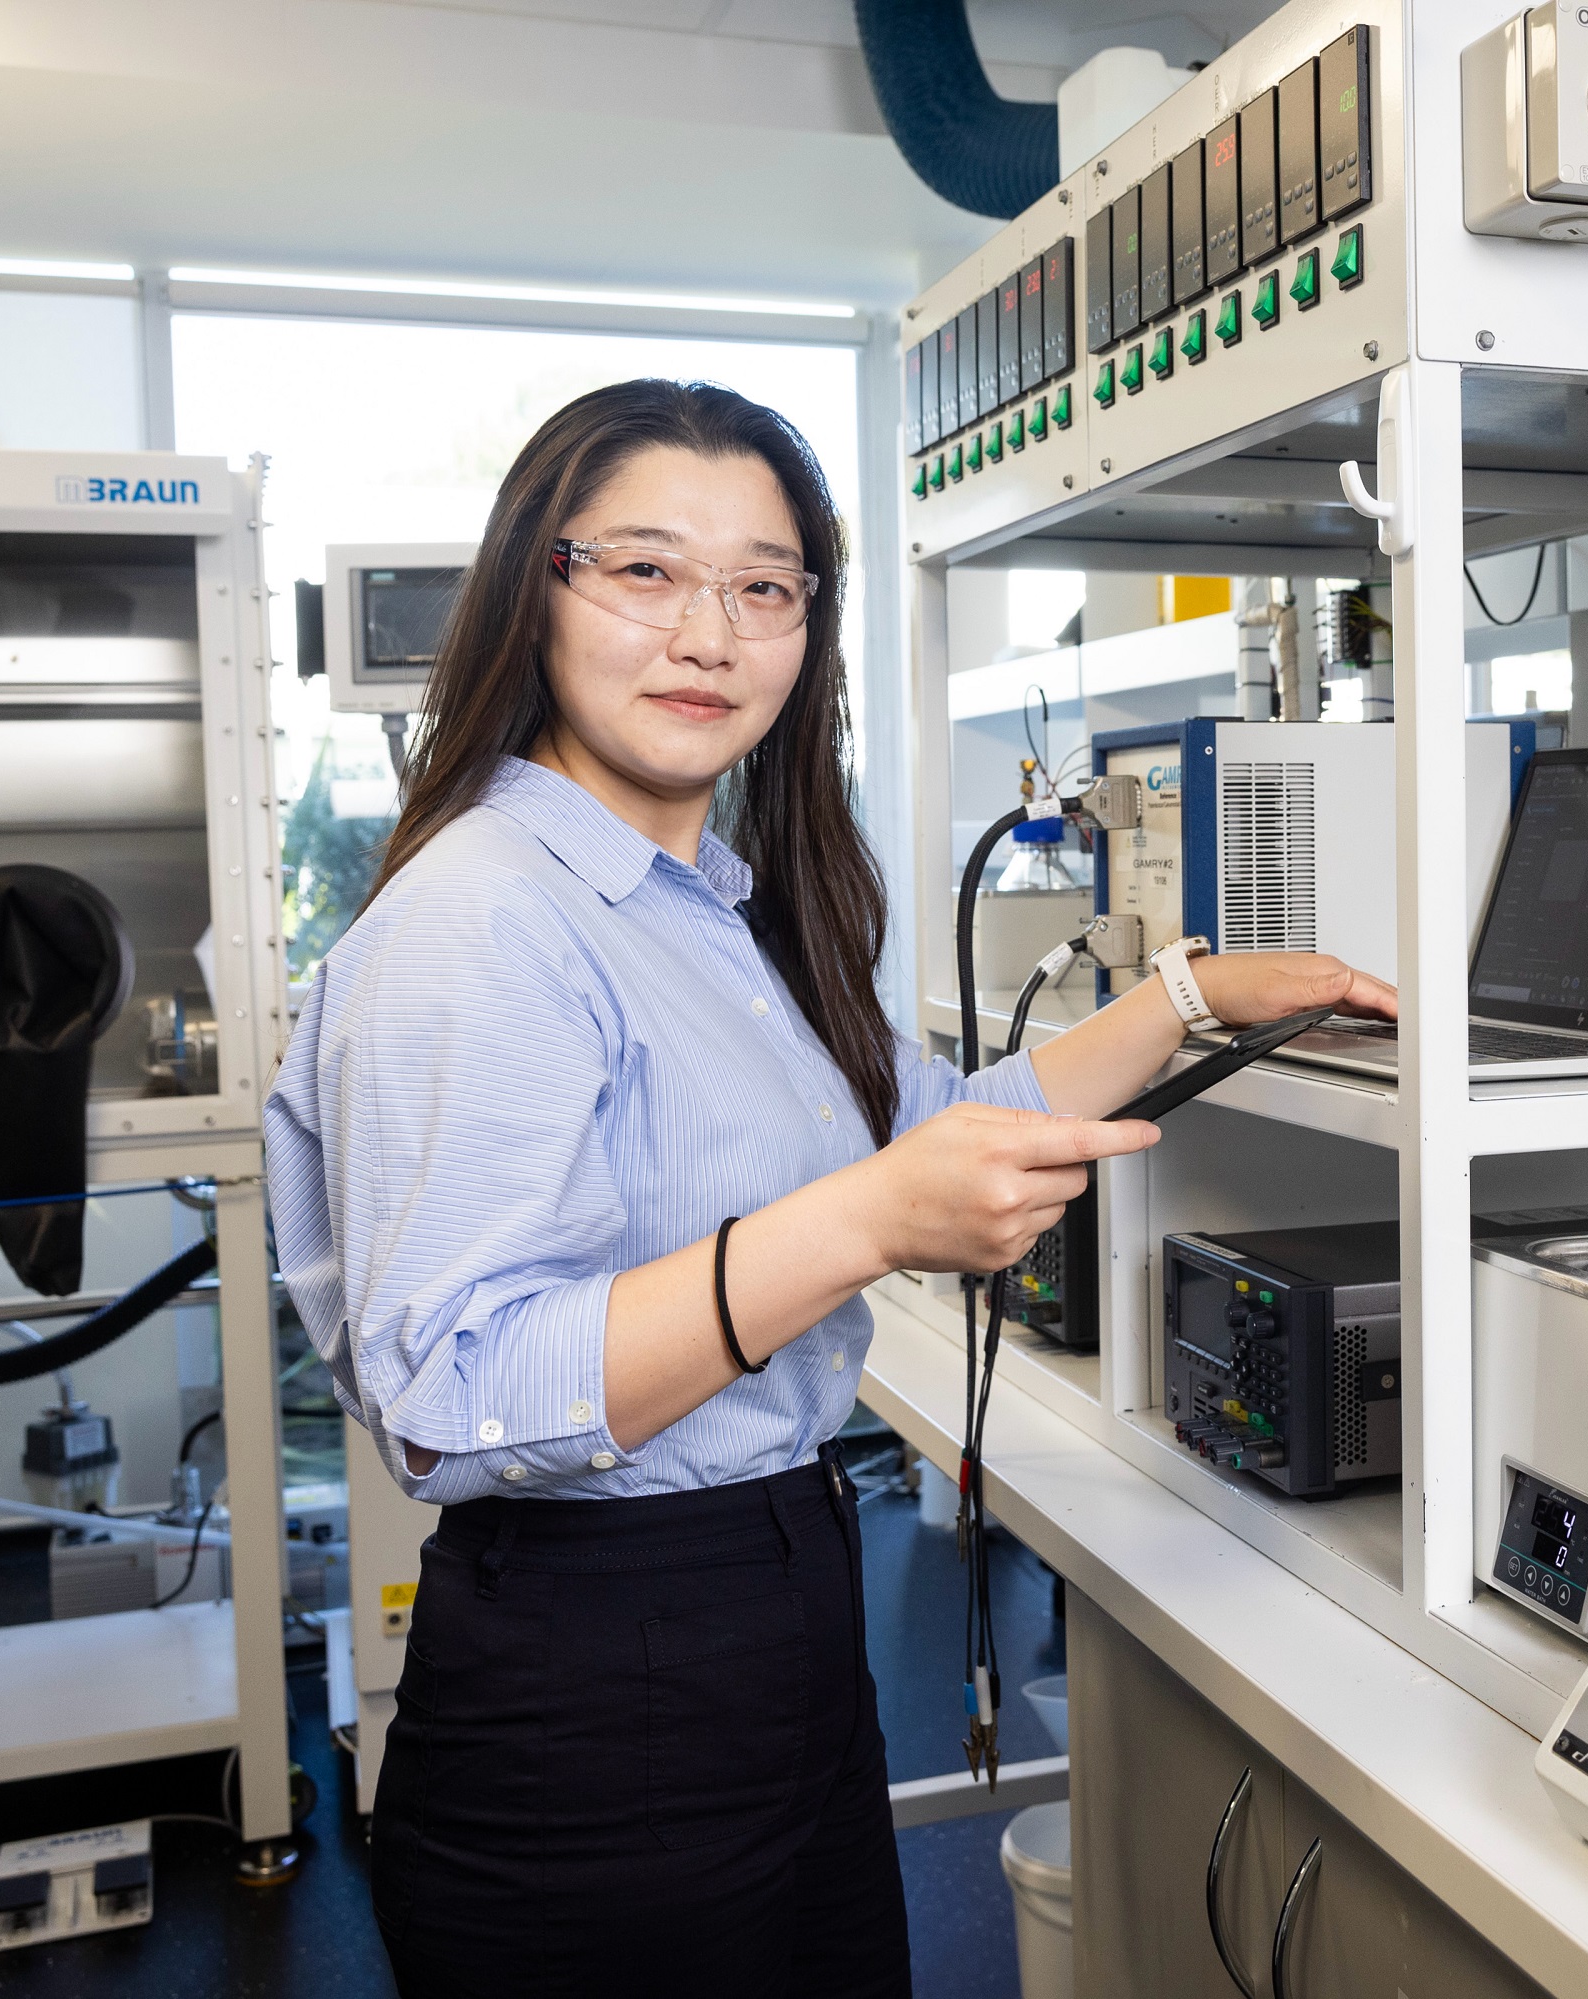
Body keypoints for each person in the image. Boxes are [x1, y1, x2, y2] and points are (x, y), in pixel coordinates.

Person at [265, 379, 1393, 1997]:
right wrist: (869, 1225)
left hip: (774, 1606)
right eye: (644, 570)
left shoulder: (707, 906)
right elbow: (454, 1390)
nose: (707, 634)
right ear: (538, 586)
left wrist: (1194, 1003)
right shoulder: (484, 921)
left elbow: (927, 1123)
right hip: (597, 1670)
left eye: (764, 587)